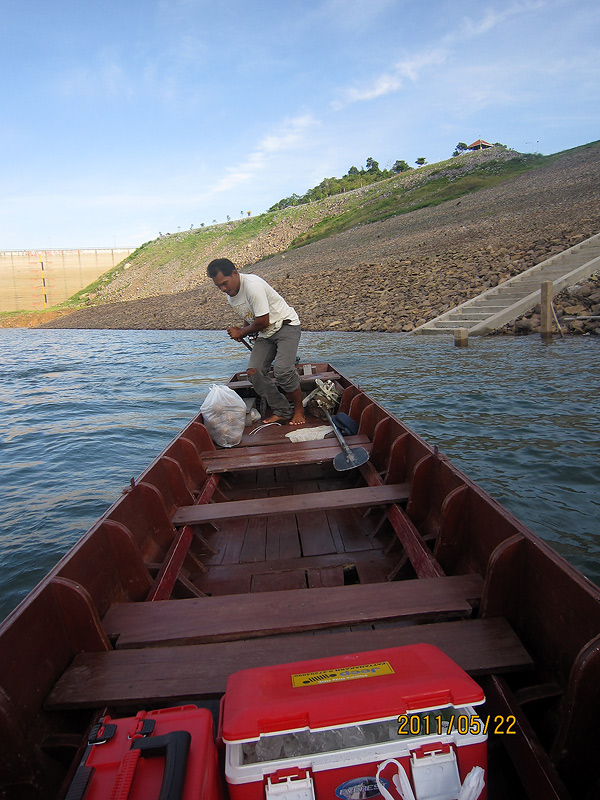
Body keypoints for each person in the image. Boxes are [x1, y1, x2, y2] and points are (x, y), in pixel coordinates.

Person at [206, 258, 305, 425]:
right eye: (218, 286)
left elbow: (263, 321)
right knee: (254, 372)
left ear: (235, 274)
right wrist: (244, 332)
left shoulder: (253, 285)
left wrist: (242, 332)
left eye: (225, 283)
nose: (223, 289)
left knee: (283, 370)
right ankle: (282, 410)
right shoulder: (231, 295)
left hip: (285, 325)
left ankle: (299, 410)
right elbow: (249, 315)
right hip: (265, 333)